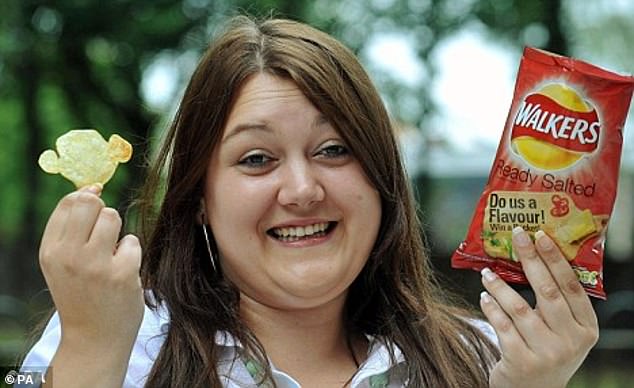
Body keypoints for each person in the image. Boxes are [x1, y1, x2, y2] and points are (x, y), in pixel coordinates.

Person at [21, 15, 598, 388]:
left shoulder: (493, 359)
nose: (302, 190)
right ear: (198, 196)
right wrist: (92, 351)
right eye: (256, 159)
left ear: (381, 179)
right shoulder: (112, 337)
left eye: (334, 149)